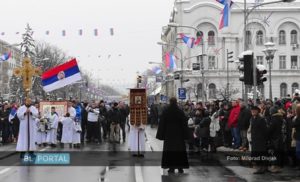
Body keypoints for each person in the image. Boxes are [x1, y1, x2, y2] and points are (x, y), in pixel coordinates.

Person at [156, 97, 189, 174]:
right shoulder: (180, 111)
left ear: (170, 102)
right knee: (179, 151)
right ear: (176, 102)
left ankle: (171, 168)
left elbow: (162, 124)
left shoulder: (166, 111)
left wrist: (161, 135)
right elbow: (184, 124)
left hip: (169, 135)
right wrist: (186, 135)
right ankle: (180, 167)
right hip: (179, 135)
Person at [250, 106, 268, 174]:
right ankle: (260, 167)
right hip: (254, 139)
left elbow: (265, 130)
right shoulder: (252, 118)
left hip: (260, 140)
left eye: (254, 111)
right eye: (252, 111)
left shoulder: (261, 119)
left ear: (258, 111)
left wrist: (264, 139)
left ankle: (261, 168)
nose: (253, 112)